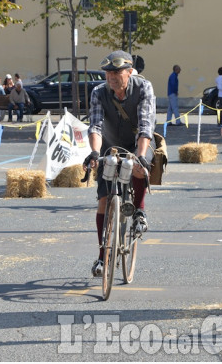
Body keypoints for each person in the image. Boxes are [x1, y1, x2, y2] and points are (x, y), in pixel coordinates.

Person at [82, 50, 156, 277]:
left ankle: (139, 212)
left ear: (130, 71)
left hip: (138, 144)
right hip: (110, 146)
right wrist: (95, 152)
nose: (112, 77)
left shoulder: (144, 87)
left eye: (116, 72)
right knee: (103, 200)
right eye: (108, 73)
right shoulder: (98, 92)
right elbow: (95, 125)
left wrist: (140, 156)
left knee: (138, 168)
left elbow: (146, 125)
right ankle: (103, 256)